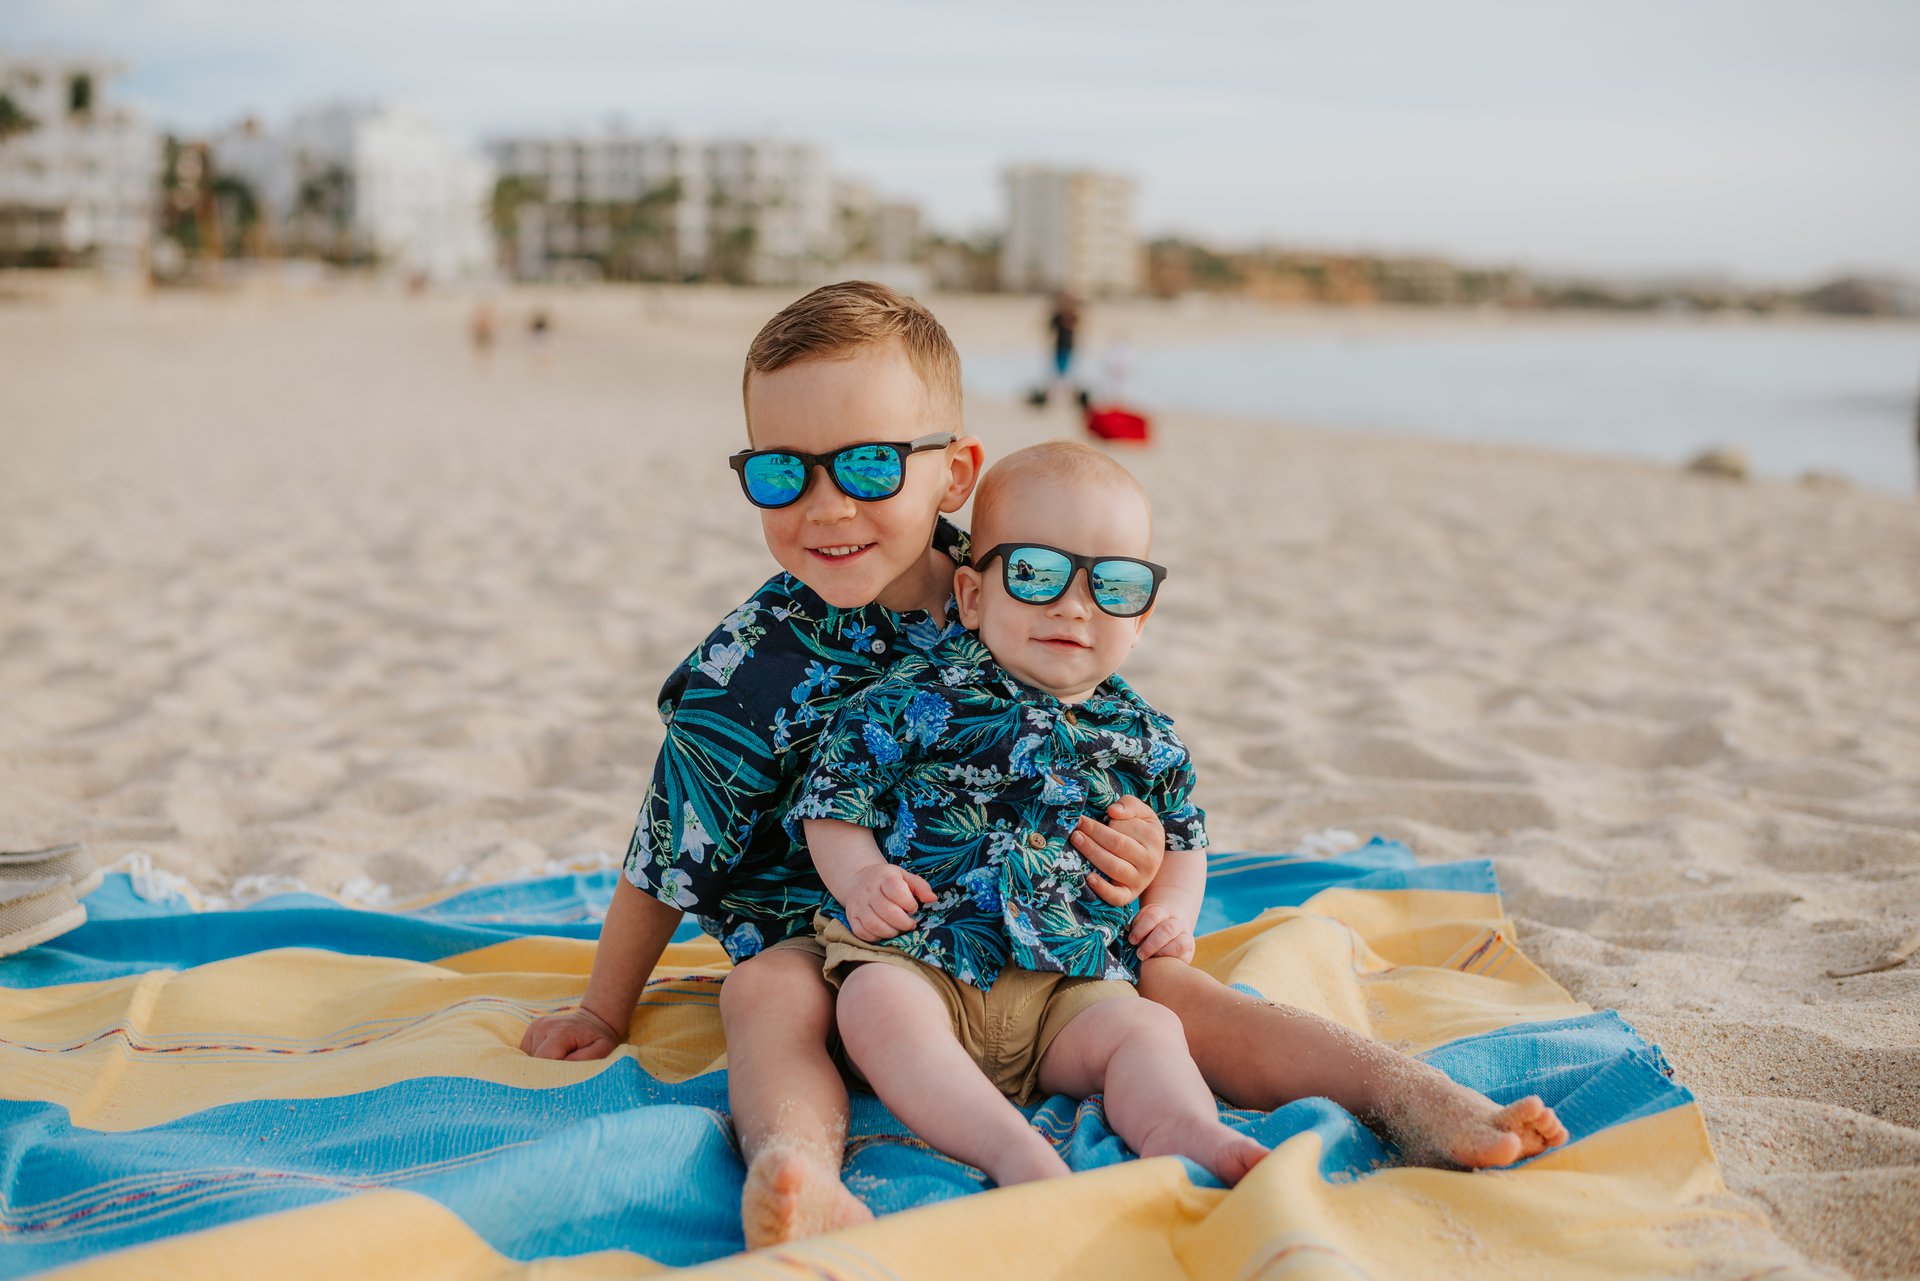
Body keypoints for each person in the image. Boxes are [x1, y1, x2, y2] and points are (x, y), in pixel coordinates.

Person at [519, 281, 1566, 1249]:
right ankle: (799, 1167)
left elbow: (1112, 744)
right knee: (766, 996)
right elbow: (671, 844)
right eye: (783, 471)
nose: (826, 507)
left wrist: (1142, 842)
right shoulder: (749, 668)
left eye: (871, 465)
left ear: (954, 473)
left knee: (1172, 994)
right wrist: (606, 1008)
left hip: (1038, 930)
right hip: (840, 940)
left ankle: (1407, 1094)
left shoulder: (1024, 580)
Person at [792, 443, 1268, 1187]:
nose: (1074, 605)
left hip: (1068, 987)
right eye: (1037, 573)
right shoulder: (915, 697)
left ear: (1138, 619)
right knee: (872, 1005)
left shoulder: (1144, 735)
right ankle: (1007, 1148)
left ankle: (1183, 1125)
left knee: (1149, 1028)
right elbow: (833, 795)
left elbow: (1182, 834)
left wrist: (1174, 908)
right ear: (974, 596)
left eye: (1113, 584)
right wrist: (860, 878)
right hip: (923, 956)